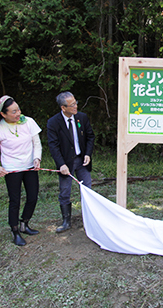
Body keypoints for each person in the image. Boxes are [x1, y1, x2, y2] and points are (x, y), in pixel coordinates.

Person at [0, 95, 42, 246]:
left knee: (32, 197)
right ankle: (15, 230)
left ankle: (24, 223)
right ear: (3, 114)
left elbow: (37, 143)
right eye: (13, 112)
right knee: (15, 200)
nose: (18, 114)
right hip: (11, 169)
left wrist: (37, 158)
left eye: (18, 110)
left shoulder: (28, 122)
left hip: (30, 166)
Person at [47, 92, 95, 233]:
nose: (76, 106)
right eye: (72, 104)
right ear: (63, 108)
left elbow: (90, 136)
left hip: (82, 160)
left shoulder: (82, 117)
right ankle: (66, 221)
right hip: (66, 162)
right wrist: (61, 164)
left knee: (87, 188)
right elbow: (53, 146)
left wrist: (87, 153)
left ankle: (89, 219)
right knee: (65, 191)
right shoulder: (53, 123)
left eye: (75, 102)